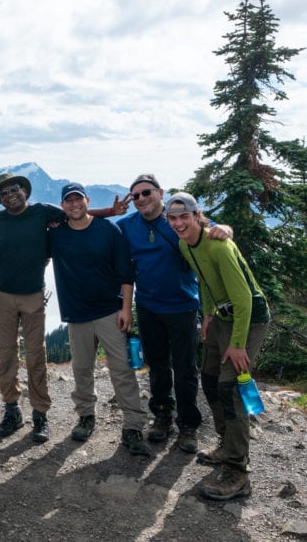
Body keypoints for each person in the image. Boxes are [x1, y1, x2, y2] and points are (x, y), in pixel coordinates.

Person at [0, 172, 128, 442]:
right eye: (3, 193)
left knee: (36, 356)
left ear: (25, 190)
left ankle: (40, 415)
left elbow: (77, 215)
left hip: (33, 295)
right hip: (3, 295)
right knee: (7, 355)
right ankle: (12, 410)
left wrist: (109, 211)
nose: (10, 194)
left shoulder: (42, 212)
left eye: (14, 188)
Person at [166, 192, 271, 501]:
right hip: (222, 318)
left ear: (198, 215)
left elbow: (243, 299)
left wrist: (238, 345)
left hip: (249, 319)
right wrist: (209, 314)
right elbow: (204, 281)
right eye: (172, 218)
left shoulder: (219, 245)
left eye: (184, 217)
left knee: (231, 387)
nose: (178, 224)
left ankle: (239, 472)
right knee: (210, 379)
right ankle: (227, 445)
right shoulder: (187, 244)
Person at [117, 173, 232, 453]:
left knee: (185, 368)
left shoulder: (177, 219)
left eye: (147, 193)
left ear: (160, 193)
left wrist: (226, 228)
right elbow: (125, 271)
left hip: (183, 306)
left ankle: (189, 424)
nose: (142, 199)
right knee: (157, 366)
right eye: (136, 196)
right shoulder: (125, 227)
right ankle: (162, 415)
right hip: (148, 307)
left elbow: (213, 229)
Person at [49, 183, 151, 456]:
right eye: (68, 201)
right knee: (81, 368)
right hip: (77, 313)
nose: (74, 204)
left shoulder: (108, 230)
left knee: (122, 369)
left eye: (78, 200)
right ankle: (86, 416)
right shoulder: (56, 235)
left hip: (109, 310)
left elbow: (125, 274)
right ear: (62, 206)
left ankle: (133, 426)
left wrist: (126, 309)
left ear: (86, 200)